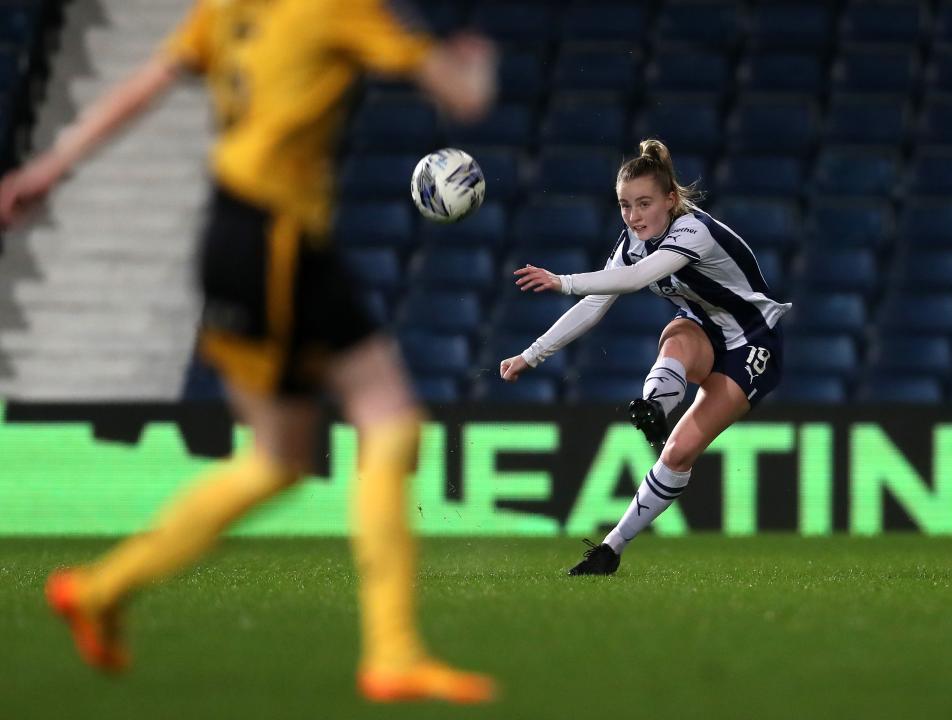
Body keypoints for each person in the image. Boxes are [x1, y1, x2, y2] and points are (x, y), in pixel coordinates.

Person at [0, 0, 497, 704]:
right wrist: (473, 63)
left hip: (232, 234)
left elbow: (147, 82)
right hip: (277, 241)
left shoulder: (224, 7)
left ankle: (97, 589)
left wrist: (50, 168)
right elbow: (463, 99)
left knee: (279, 459)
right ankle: (392, 654)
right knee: (385, 421)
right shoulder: (336, 8)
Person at [500, 139, 791, 576]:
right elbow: (596, 305)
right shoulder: (634, 241)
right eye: (624, 206)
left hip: (753, 341)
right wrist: (533, 354)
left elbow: (635, 280)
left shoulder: (693, 231)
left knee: (677, 456)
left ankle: (616, 538)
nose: (634, 217)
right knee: (676, 333)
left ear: (670, 200)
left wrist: (560, 281)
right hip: (703, 326)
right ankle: (653, 416)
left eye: (643, 204)